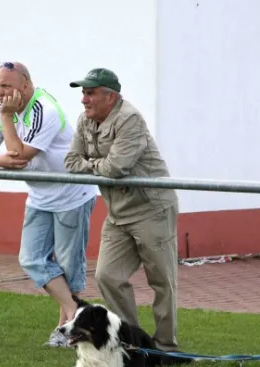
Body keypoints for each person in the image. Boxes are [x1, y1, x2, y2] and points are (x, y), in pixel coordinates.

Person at [0, 62, 97, 347]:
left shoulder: (44, 110)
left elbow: (20, 154)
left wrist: (6, 121)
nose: (1, 93)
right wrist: (4, 161)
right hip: (40, 197)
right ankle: (77, 315)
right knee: (31, 258)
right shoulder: (2, 113)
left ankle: (66, 330)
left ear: (26, 85)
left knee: (67, 268)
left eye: (7, 86)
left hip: (72, 195)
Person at [64, 68, 180, 351]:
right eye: (83, 93)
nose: (83, 99)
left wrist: (93, 167)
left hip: (151, 208)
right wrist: (99, 168)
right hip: (117, 212)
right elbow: (70, 161)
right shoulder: (85, 120)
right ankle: (132, 340)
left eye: (90, 93)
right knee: (107, 275)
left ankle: (165, 345)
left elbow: (117, 167)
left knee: (161, 280)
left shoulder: (129, 119)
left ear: (110, 96)